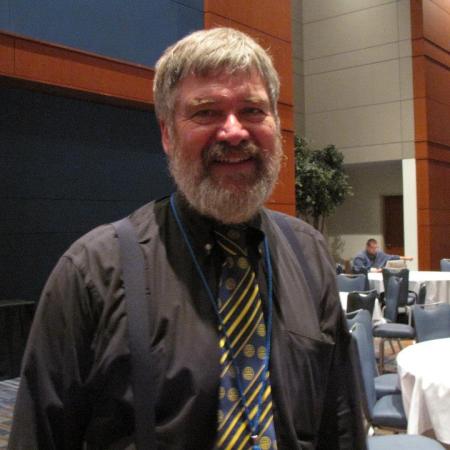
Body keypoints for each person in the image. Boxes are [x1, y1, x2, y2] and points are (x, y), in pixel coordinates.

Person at [10, 28, 366, 450]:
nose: (234, 131)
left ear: (275, 123)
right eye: (206, 112)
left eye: (253, 110)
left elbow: (340, 425)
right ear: (167, 134)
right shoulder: (92, 273)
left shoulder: (308, 253)